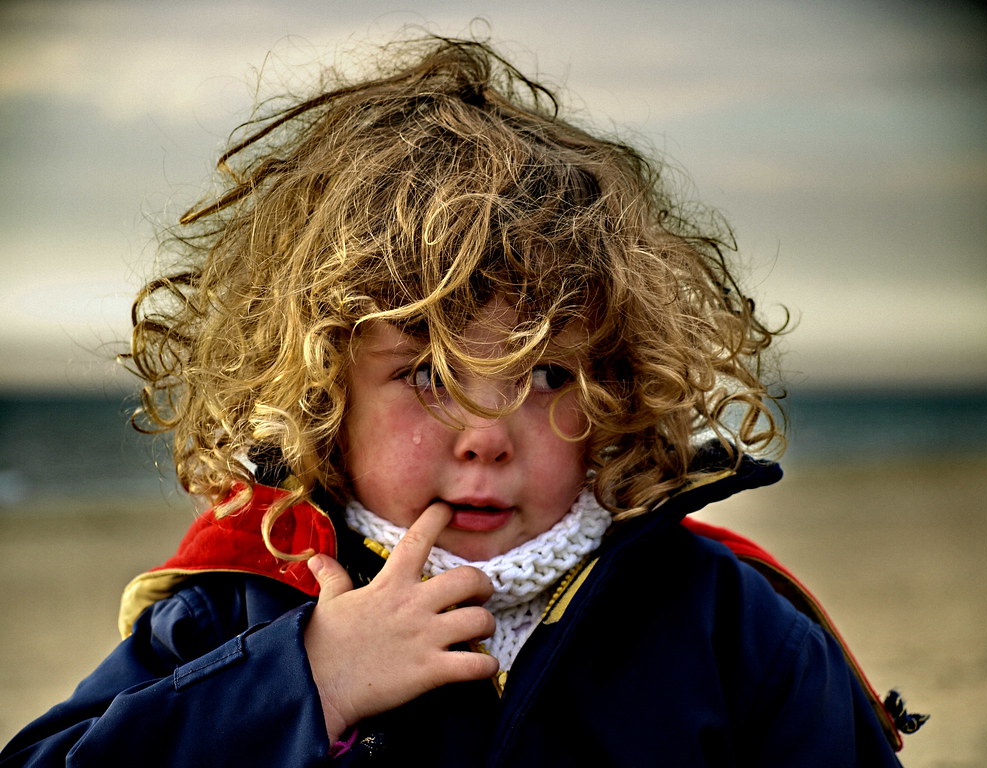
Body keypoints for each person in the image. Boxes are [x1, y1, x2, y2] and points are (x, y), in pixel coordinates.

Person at [0, 35, 923, 767]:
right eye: (428, 377)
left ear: (619, 387)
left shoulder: (732, 623)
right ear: (324, 390)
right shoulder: (244, 606)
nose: (486, 436)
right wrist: (308, 680)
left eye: (547, 377)